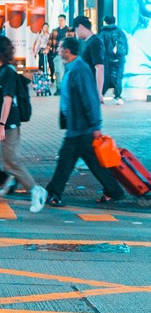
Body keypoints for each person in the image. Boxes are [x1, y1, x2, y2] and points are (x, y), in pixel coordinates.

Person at [44, 36, 127, 206]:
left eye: (60, 48)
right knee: (92, 162)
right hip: (77, 126)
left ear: (67, 51)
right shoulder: (72, 68)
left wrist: (95, 125)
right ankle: (114, 191)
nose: (58, 51)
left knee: (65, 162)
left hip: (81, 127)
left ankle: (54, 193)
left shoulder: (80, 69)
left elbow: (90, 99)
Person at [0, 33, 45, 213]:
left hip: (6, 126)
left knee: (9, 161)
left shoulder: (7, 72)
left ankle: (36, 190)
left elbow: (7, 100)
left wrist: (2, 125)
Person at [97, 16, 128, 102]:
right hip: (120, 58)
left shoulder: (103, 33)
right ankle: (117, 95)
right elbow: (125, 44)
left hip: (108, 58)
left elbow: (100, 46)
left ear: (106, 22)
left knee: (106, 77)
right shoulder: (120, 31)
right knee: (118, 76)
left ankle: (100, 95)